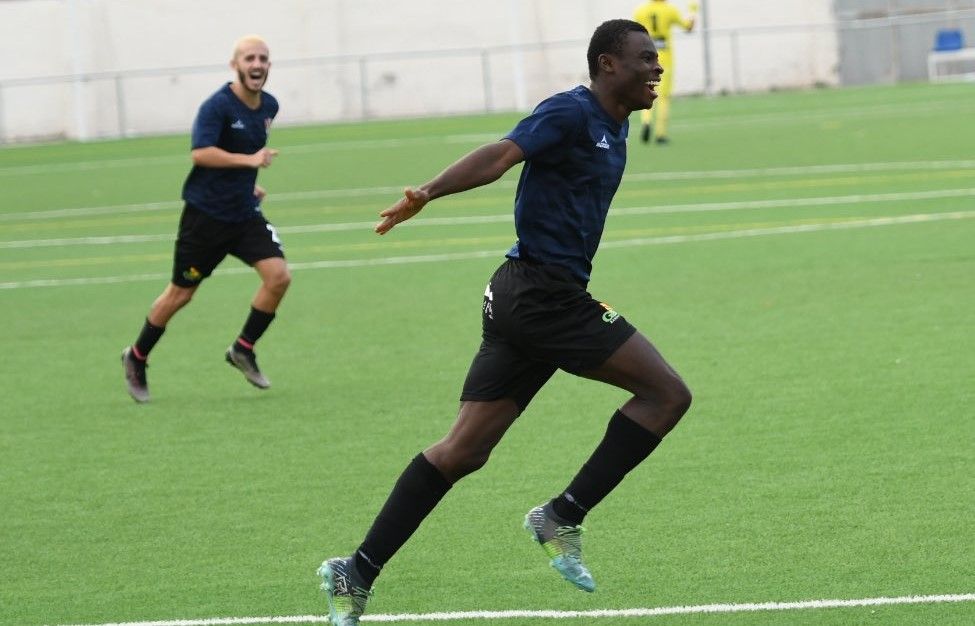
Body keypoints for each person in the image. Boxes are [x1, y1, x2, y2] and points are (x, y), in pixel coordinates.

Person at [316, 19, 692, 626]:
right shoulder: (569, 112)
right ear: (606, 65)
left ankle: (354, 572)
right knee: (666, 395)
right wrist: (427, 193)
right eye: (646, 59)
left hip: (527, 295)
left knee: (462, 450)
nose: (658, 68)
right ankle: (561, 516)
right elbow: (500, 155)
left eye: (658, 59)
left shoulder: (616, 126)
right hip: (544, 298)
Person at [120, 35, 288, 403]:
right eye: (249, 58)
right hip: (206, 218)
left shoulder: (269, 105)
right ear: (236, 65)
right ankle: (136, 355)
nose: (256, 64)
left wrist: (251, 183)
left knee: (278, 277)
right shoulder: (217, 107)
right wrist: (250, 163)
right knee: (181, 294)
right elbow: (202, 154)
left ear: (269, 66)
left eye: (263, 58)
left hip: (244, 214)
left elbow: (249, 152)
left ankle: (243, 348)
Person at [632, 0, 697, 144]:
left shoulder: (641, 11)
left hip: (646, 58)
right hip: (665, 59)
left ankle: (646, 121)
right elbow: (688, 27)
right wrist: (693, 10)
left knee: (647, 92)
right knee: (663, 98)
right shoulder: (670, 10)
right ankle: (661, 134)